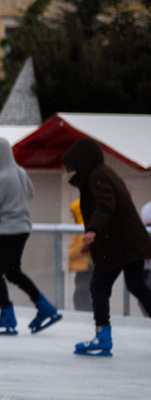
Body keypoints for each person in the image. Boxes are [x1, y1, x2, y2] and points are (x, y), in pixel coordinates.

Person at [0, 137, 60, 335]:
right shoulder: (20, 172)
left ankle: (7, 316)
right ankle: (44, 307)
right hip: (22, 229)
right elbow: (29, 195)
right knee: (13, 273)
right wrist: (14, 201)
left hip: (8, 230)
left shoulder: (3, 178)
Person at [62, 139, 151, 356]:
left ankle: (103, 336)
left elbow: (105, 205)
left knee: (99, 286)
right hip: (129, 243)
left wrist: (92, 231)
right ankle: (103, 336)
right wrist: (92, 238)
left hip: (120, 245)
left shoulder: (97, 175)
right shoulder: (104, 172)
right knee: (137, 285)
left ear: (83, 160)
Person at [68, 200, 93, 312]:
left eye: (73, 212)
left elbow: (78, 250)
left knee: (81, 296)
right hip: (84, 267)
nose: (72, 215)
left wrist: (71, 255)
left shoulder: (83, 227)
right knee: (81, 295)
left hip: (86, 268)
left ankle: (85, 318)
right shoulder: (84, 226)